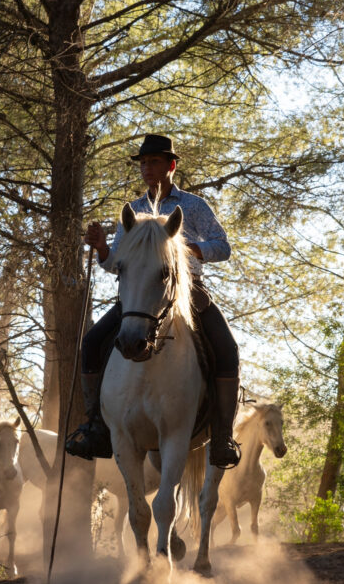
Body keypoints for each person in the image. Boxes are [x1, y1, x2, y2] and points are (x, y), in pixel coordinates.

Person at [64, 133, 242, 469]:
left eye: (154, 161)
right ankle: (97, 426)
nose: (147, 167)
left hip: (187, 293)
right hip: (136, 296)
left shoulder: (193, 206)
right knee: (91, 343)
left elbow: (223, 246)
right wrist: (103, 248)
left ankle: (221, 435)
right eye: (143, 162)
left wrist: (185, 249)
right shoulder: (132, 212)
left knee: (227, 349)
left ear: (171, 165)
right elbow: (116, 263)